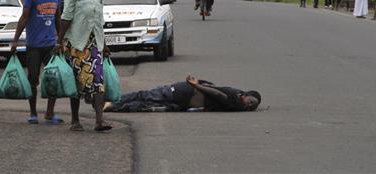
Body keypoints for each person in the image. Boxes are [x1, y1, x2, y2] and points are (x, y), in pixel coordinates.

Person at [57, 0, 111, 132]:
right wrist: (59, 41)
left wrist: (105, 44)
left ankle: (99, 121)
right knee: (77, 84)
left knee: (98, 82)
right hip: (76, 43)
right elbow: (66, 17)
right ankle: (75, 120)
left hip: (94, 44)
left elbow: (99, 21)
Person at [11, 0, 63, 124]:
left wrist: (61, 41)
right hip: (34, 45)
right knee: (33, 79)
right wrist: (15, 40)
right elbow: (24, 18)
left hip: (51, 45)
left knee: (53, 78)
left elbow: (58, 20)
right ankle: (33, 113)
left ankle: (49, 112)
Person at [104, 75, 261, 113]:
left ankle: (112, 106)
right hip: (184, 91)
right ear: (246, 95)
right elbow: (218, 94)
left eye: (252, 106)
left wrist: (200, 83)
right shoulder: (235, 98)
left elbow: (216, 89)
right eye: (251, 101)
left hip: (184, 101)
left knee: (147, 105)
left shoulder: (237, 103)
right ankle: (113, 102)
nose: (250, 105)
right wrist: (197, 85)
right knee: (145, 96)